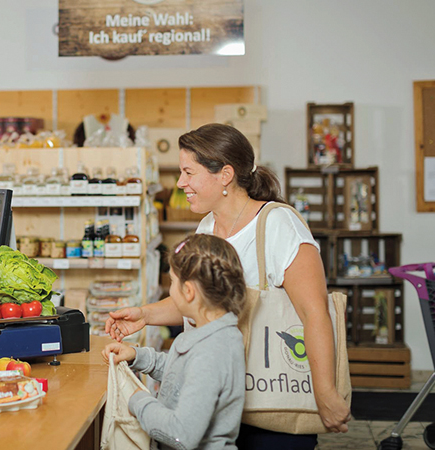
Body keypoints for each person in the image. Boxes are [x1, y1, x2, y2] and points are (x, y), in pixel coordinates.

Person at [105, 123, 351, 449]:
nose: (180, 183)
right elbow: (202, 301)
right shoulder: (208, 224)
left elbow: (314, 312)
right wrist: (144, 314)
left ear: (225, 175)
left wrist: (325, 392)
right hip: (221, 401)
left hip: (273, 398)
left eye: (189, 173)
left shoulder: (279, 224)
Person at [103, 234, 247, 450]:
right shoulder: (209, 333)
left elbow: (181, 434)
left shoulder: (212, 352)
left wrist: (139, 400)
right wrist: (138, 356)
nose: (170, 289)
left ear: (188, 292)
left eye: (172, 281)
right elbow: (182, 372)